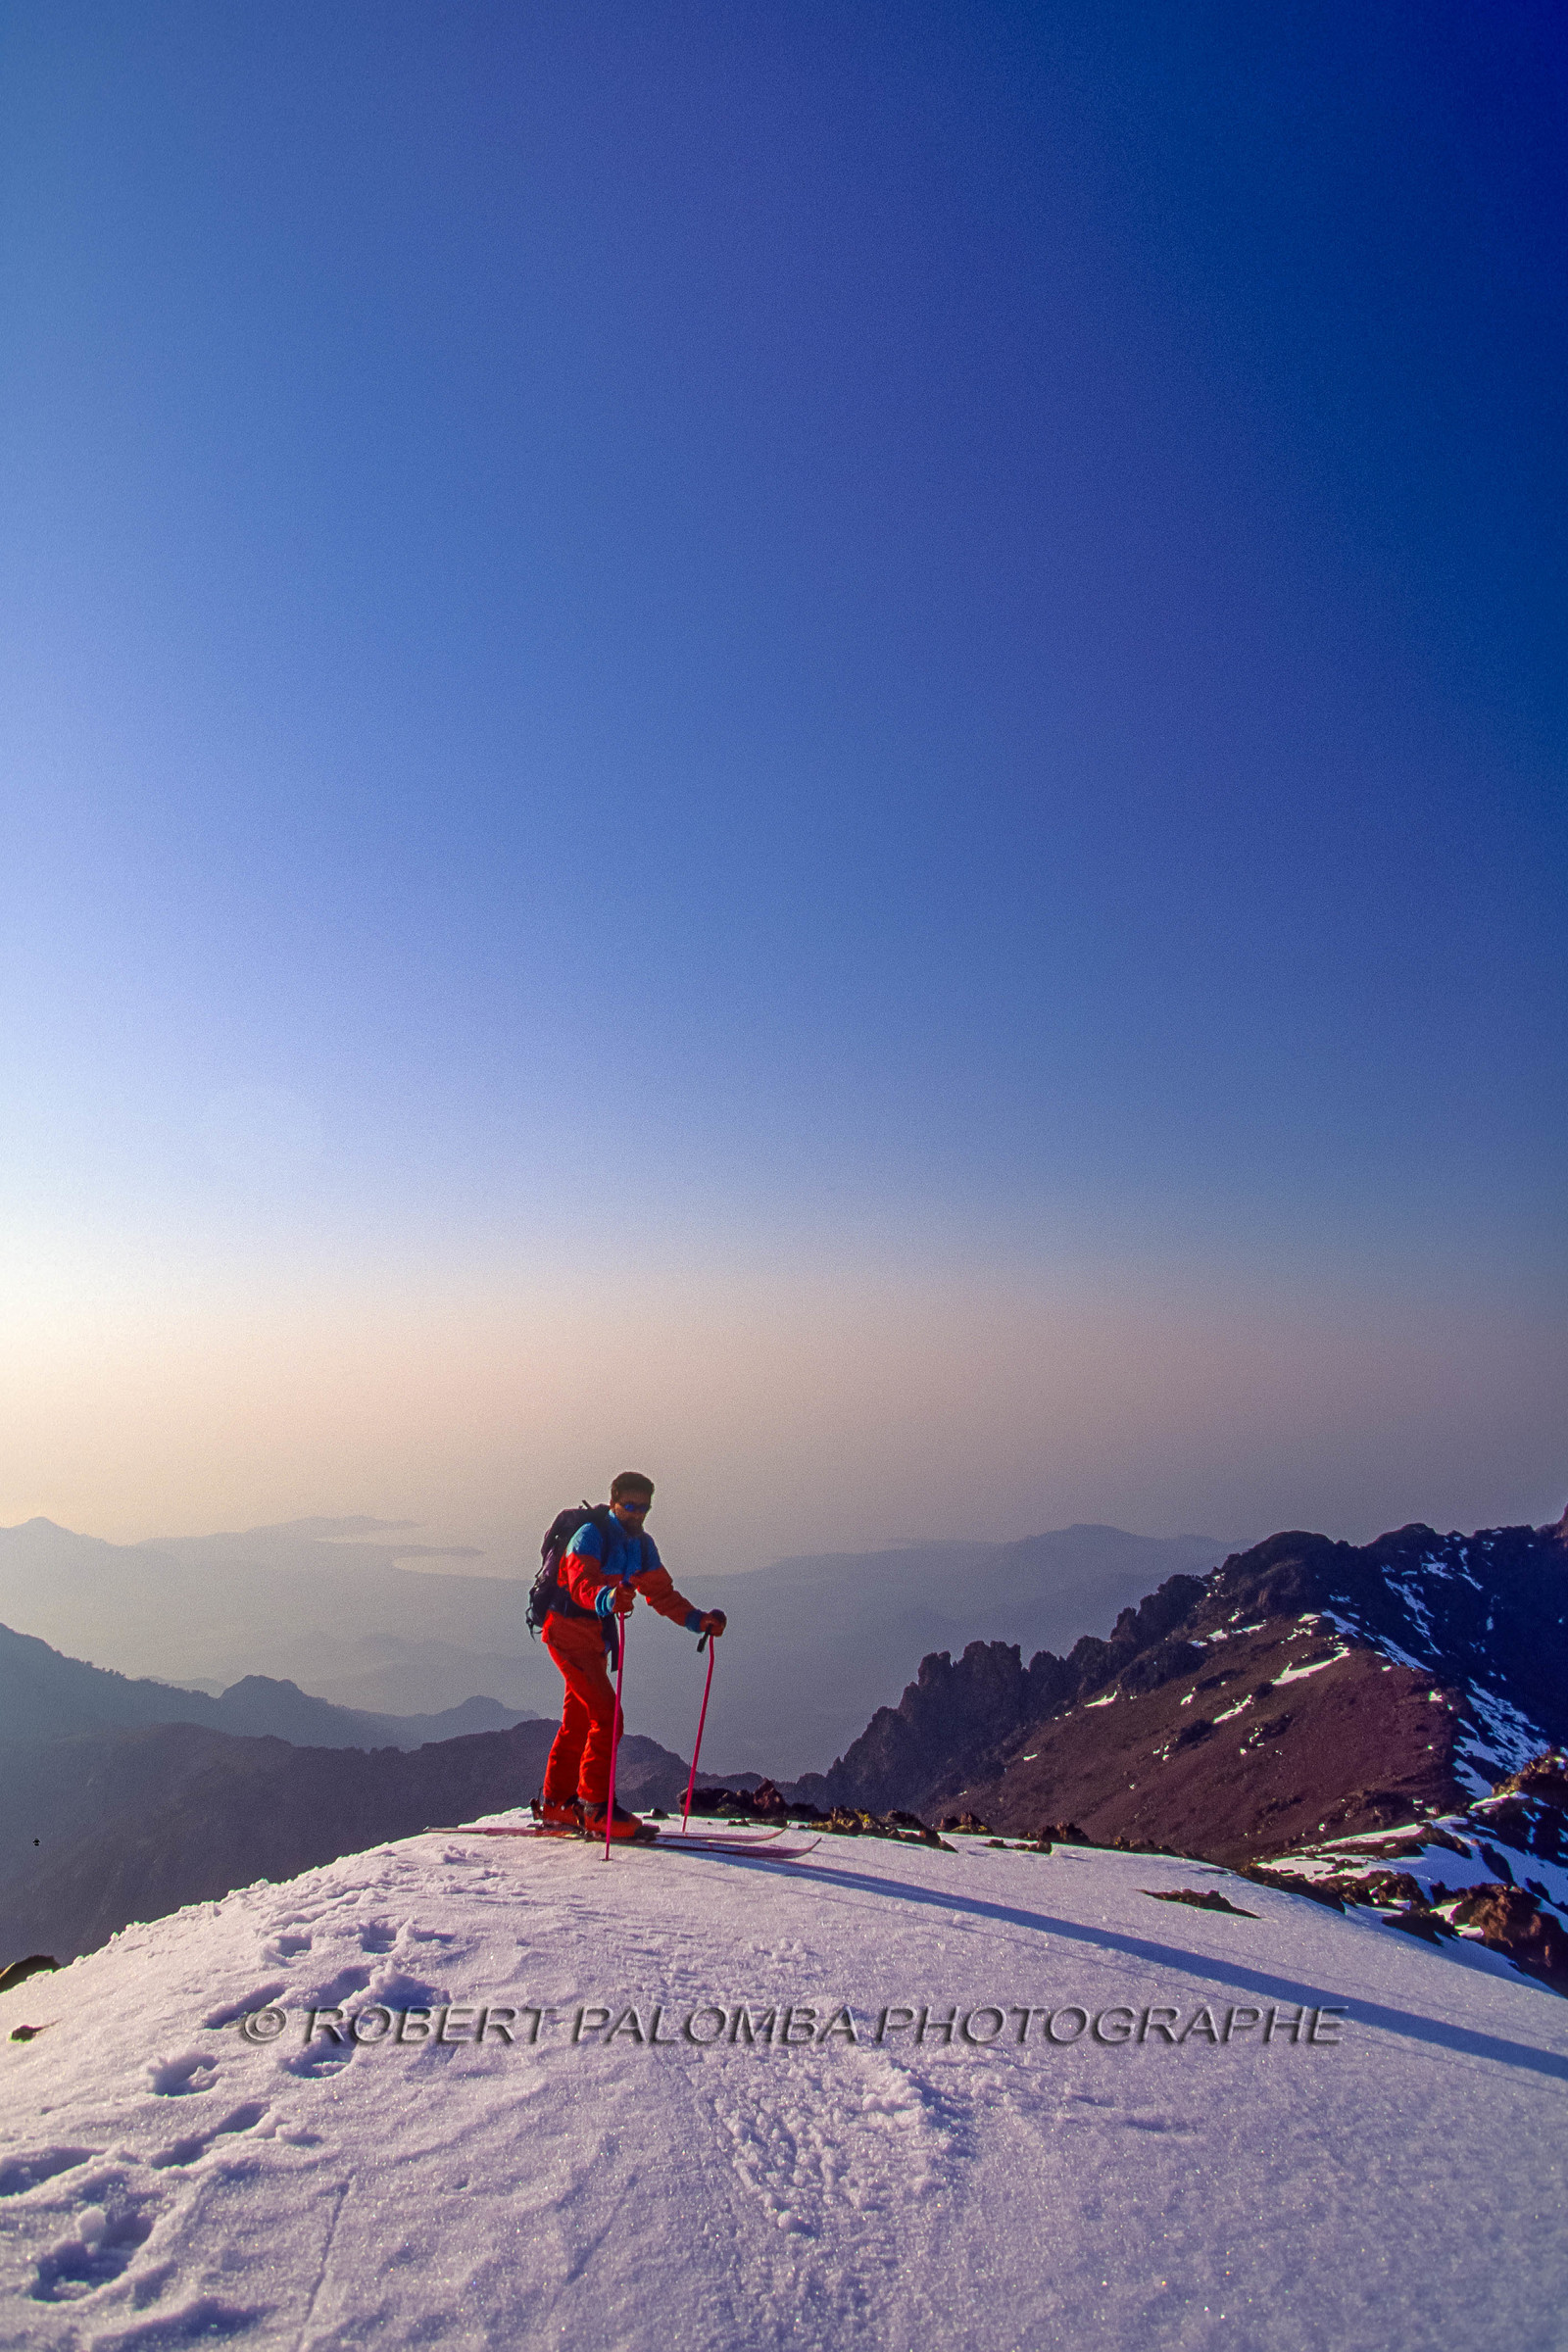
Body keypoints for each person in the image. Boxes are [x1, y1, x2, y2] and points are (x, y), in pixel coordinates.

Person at [539, 1472, 726, 1839]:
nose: (637, 1513)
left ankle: (557, 1804)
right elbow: (580, 1583)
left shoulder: (641, 1546)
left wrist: (697, 1620)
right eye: (630, 1506)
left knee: (579, 1720)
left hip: (593, 1640)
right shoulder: (590, 1536)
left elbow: (662, 1594)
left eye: (644, 1507)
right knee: (608, 1718)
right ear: (614, 1502)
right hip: (566, 1635)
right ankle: (595, 1808)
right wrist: (608, 1598)